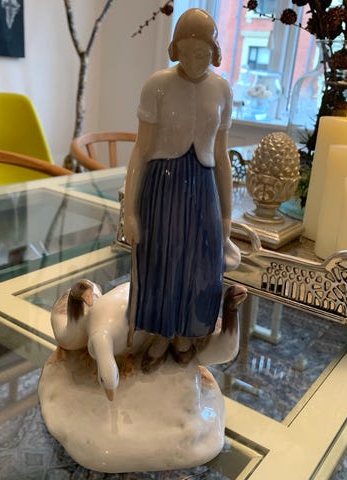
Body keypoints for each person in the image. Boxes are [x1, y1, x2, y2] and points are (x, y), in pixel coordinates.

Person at [123, 8, 240, 372]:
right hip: (162, 186)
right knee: (162, 260)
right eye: (187, 52)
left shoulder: (222, 90)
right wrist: (130, 211)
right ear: (175, 50)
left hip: (203, 186)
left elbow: (221, 156)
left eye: (202, 53)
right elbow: (141, 150)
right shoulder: (157, 85)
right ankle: (160, 333)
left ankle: (187, 333)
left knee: (201, 262)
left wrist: (226, 215)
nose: (194, 61)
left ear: (214, 52)